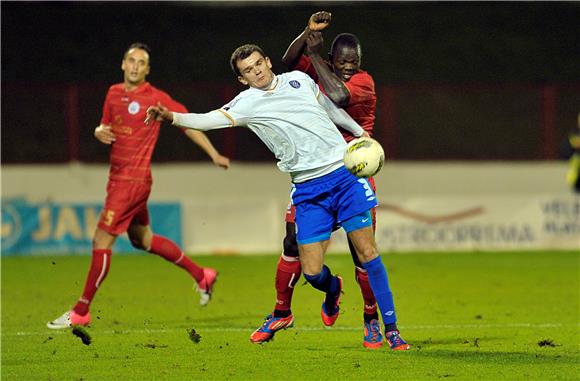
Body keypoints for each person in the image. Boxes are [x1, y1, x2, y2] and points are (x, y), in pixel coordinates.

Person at [146, 44, 410, 350]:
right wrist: (171, 118)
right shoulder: (245, 103)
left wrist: (357, 132)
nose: (257, 71)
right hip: (309, 190)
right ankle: (333, 288)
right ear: (242, 79)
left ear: (268, 61)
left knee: (367, 253)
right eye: (248, 70)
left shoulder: (299, 80)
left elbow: (329, 107)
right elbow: (207, 119)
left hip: (343, 175)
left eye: (259, 63)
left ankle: (391, 329)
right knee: (311, 272)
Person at [47, 42, 230, 329]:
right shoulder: (112, 93)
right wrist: (98, 131)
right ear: (123, 64)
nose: (134, 66)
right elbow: (104, 126)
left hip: (132, 182)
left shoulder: (156, 98)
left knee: (101, 240)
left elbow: (188, 123)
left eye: (141, 62)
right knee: (142, 239)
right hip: (116, 178)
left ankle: (81, 311)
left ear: (147, 69)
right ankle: (202, 275)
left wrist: (213, 153)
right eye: (130, 60)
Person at [249, 12, 385, 349]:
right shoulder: (318, 70)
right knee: (292, 243)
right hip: (315, 176)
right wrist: (307, 34)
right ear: (332, 60)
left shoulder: (363, 82)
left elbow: (338, 96)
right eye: (342, 62)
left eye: (354, 62)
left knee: (362, 255)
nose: (349, 67)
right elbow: (286, 61)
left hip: (353, 176)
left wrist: (314, 56)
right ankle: (283, 311)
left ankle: (370, 319)